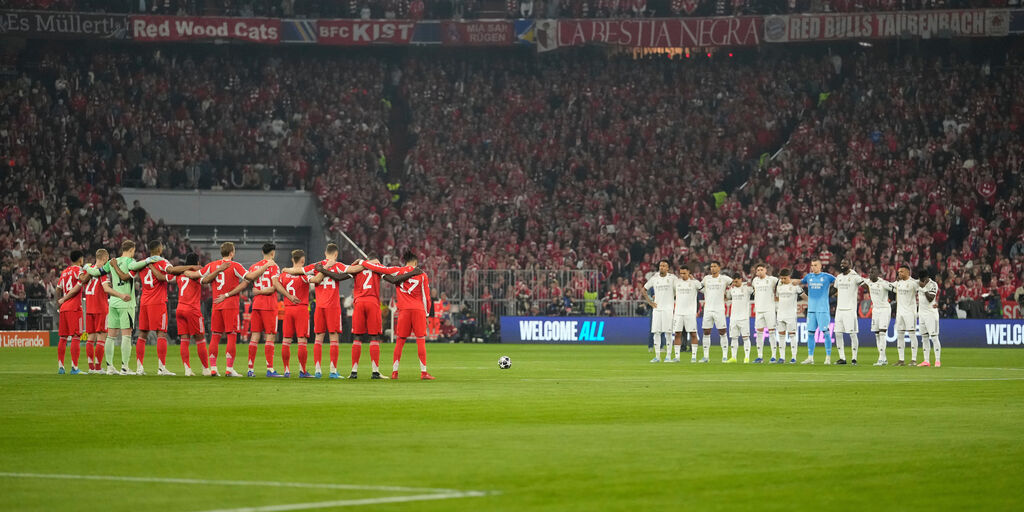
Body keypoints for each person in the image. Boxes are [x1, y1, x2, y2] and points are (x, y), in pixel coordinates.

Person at [317, 255, 420, 379]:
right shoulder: (377, 267)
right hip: (372, 302)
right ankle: (375, 371)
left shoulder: (357, 268)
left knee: (357, 336)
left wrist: (323, 270)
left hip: (359, 303)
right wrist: (413, 272)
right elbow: (393, 280)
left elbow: (339, 277)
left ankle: (354, 371)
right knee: (374, 336)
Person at [216, 243, 299, 378]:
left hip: (256, 305)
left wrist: (229, 294)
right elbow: (274, 287)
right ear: (273, 253)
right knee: (270, 336)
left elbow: (247, 282)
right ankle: (270, 369)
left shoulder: (254, 267)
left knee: (254, 337)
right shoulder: (273, 266)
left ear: (262, 252)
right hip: (269, 305)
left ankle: (250, 369)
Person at [283, 243, 360, 378]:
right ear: (335, 254)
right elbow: (354, 270)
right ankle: (333, 371)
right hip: (333, 306)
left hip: (319, 306)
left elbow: (298, 271)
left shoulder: (316, 265)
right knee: (334, 337)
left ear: (325, 253)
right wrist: (366, 263)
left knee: (318, 338)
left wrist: (285, 270)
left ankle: (318, 370)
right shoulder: (338, 265)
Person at [84, 240, 159, 375]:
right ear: (131, 250)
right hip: (126, 302)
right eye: (134, 251)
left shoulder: (112, 262)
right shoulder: (130, 262)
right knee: (126, 336)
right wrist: (150, 259)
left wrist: (87, 268)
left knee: (111, 337)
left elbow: (96, 273)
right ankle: (124, 367)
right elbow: (139, 264)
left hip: (113, 302)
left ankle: (110, 367)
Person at [361, 251, 435, 380]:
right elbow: (426, 297)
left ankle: (395, 372)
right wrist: (427, 314)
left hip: (404, 310)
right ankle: (424, 372)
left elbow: (379, 269)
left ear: (405, 262)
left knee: (400, 341)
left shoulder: (398, 271)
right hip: (418, 309)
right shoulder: (422, 274)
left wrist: (363, 262)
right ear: (416, 262)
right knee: (420, 340)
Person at [136, 240, 196, 376]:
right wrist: (189, 267)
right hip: (158, 302)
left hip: (144, 301)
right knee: (161, 334)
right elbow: (172, 270)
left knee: (142, 334)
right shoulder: (162, 262)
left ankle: (139, 368)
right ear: (159, 249)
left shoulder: (142, 263)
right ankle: (162, 368)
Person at [200, 242, 248, 377]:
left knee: (215, 336)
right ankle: (229, 369)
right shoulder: (235, 266)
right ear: (232, 253)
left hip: (216, 305)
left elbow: (202, 279)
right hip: (231, 305)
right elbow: (247, 278)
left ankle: (213, 368)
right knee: (231, 336)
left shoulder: (212, 265)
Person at [173, 253, 208, 376]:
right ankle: (205, 369)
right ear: (197, 263)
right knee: (200, 338)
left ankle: (187, 369)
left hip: (180, 308)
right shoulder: (196, 275)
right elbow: (205, 280)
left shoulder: (180, 275)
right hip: (192, 309)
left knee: (184, 339)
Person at [279, 250, 312, 377]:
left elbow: (276, 284)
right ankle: (302, 371)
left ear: (293, 259)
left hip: (288, 309)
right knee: (301, 340)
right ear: (302, 261)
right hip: (301, 309)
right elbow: (315, 279)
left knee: (286, 340)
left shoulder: (284, 275)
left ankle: (286, 370)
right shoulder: (304, 275)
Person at [55, 250, 88, 374]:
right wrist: (89, 271)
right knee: (75, 337)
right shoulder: (78, 270)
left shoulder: (64, 272)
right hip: (74, 307)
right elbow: (82, 280)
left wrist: (59, 303)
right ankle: (74, 367)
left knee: (63, 338)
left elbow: (58, 289)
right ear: (80, 259)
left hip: (64, 308)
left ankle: (61, 367)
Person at [800, 259, 836, 365]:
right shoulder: (808, 277)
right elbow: (799, 282)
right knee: (810, 333)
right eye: (811, 265)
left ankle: (828, 358)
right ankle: (810, 357)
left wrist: (835, 293)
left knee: (826, 332)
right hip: (811, 310)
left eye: (815, 265)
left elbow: (839, 282)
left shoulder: (827, 277)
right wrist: (789, 281)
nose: (813, 267)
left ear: (820, 266)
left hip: (823, 309)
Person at [640, 259, 676, 363]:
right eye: (660, 265)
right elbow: (644, 289)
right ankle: (657, 356)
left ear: (668, 268)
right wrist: (650, 302)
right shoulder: (655, 278)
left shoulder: (672, 278)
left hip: (668, 309)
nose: (662, 267)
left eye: (664, 266)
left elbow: (678, 288)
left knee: (668, 333)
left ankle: (668, 356)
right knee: (656, 332)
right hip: (657, 309)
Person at [82, 249, 110, 374]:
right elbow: (106, 288)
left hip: (89, 309)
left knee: (90, 338)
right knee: (101, 338)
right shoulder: (103, 272)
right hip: (101, 308)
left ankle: (91, 367)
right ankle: (98, 368)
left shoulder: (88, 270)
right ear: (104, 258)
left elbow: (83, 280)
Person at [833, 259, 865, 365]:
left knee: (852, 333)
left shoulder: (855, 277)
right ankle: (842, 358)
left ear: (850, 265)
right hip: (839, 310)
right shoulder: (839, 277)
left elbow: (865, 286)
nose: (842, 265)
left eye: (845, 263)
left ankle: (854, 358)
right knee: (838, 333)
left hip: (850, 310)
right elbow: (834, 290)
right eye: (841, 263)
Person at [700, 261, 732, 363]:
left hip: (719, 309)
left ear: (719, 268)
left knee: (722, 332)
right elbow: (699, 288)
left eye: (714, 266)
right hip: (708, 309)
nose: (712, 268)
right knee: (706, 332)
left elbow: (735, 284)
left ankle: (725, 356)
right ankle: (706, 357)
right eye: (711, 266)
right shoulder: (706, 279)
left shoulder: (724, 278)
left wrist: (728, 294)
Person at [865, 267, 895, 366]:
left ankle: (881, 359)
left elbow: (896, 289)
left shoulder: (884, 283)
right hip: (875, 310)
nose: (870, 274)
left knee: (882, 333)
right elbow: (859, 281)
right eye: (870, 272)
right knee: (877, 334)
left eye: (873, 272)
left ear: (878, 273)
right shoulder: (868, 282)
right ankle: (883, 358)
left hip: (884, 309)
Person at [672, 264, 702, 363]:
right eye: (681, 273)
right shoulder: (676, 282)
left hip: (690, 313)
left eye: (684, 273)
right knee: (677, 334)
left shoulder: (695, 283)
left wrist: (693, 279)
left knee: (693, 334)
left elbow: (703, 289)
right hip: (678, 313)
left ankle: (693, 357)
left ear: (689, 272)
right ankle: (677, 357)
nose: (682, 275)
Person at [750, 263, 779, 363]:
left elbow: (782, 284)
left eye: (761, 269)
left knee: (771, 332)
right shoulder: (755, 281)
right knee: (759, 333)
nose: (759, 271)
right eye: (758, 270)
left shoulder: (772, 280)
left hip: (769, 309)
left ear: (766, 270)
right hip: (759, 310)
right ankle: (760, 356)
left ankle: (774, 356)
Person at [775, 269, 804, 364]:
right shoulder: (779, 286)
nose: (783, 280)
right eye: (781, 278)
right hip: (780, 314)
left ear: (789, 276)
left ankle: (793, 357)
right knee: (781, 336)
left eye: (785, 278)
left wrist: (812, 303)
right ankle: (782, 357)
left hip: (791, 315)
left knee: (792, 336)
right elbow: (776, 298)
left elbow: (804, 296)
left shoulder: (795, 286)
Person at [893, 265, 919, 366]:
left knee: (912, 335)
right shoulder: (898, 283)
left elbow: (923, 290)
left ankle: (913, 359)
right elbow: (889, 285)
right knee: (900, 335)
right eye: (899, 272)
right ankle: (901, 359)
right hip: (900, 313)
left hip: (910, 313)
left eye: (902, 272)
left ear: (908, 272)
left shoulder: (914, 283)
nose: (899, 273)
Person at [916, 270, 942, 367]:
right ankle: (926, 361)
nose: (921, 281)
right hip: (921, 314)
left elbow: (931, 298)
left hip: (931, 314)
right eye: (920, 280)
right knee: (924, 337)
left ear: (926, 278)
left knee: (934, 337)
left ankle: (937, 361)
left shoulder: (933, 284)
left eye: (922, 280)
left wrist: (923, 289)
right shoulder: (919, 283)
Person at [727, 275, 753, 363]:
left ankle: (746, 357)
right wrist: (729, 288)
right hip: (733, 317)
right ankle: (733, 357)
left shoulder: (747, 289)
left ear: (741, 280)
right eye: (734, 281)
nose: (735, 283)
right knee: (734, 338)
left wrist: (749, 284)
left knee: (745, 337)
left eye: (736, 281)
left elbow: (755, 290)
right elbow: (727, 297)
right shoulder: (732, 290)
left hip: (744, 317)